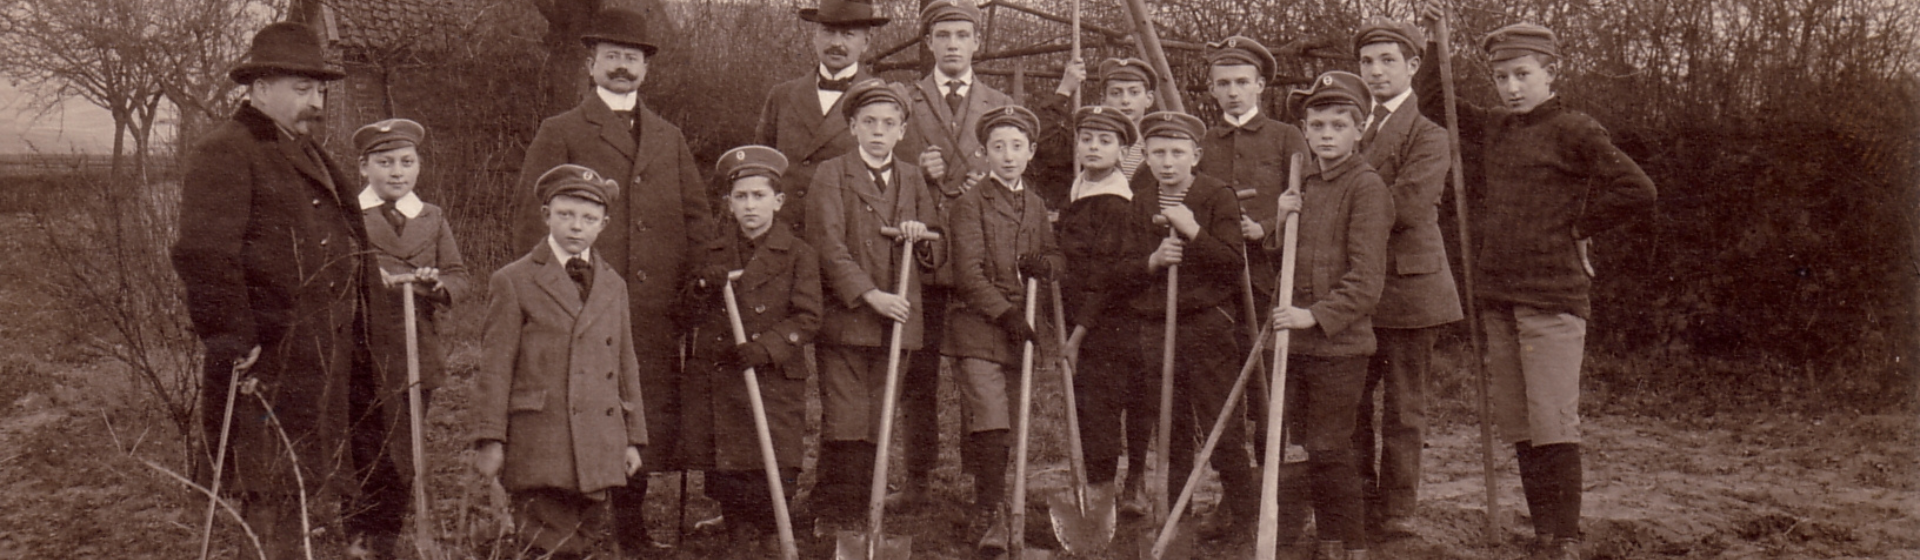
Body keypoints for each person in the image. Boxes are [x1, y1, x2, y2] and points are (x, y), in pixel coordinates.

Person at [1413, 19, 1657, 560]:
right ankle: (1543, 533)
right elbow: (1434, 102)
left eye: (1523, 74)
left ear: (1552, 72)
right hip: (1498, 296)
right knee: (1521, 421)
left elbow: (1637, 189)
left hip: (1552, 299)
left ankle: (1566, 538)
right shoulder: (1498, 126)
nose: (1512, 87)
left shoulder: (1576, 129)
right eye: (1501, 76)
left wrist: (1579, 227)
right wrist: (1433, 40)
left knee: (1553, 419)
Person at [512, 7, 714, 549]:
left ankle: (631, 523)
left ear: (646, 68)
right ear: (591, 63)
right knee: (575, 406)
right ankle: (570, 520)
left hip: (651, 308)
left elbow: (696, 216)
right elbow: (528, 220)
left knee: (636, 407)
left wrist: (699, 278)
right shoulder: (562, 131)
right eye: (613, 57)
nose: (623, 67)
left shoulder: (668, 136)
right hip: (581, 304)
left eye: (633, 58)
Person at [171, 22, 366, 560]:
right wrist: (232, 335)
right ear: (259, 89)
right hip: (266, 361)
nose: (316, 102)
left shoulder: (302, 150)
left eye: (320, 90)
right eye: (301, 89)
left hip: (312, 360)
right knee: (268, 493)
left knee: (295, 491)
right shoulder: (228, 150)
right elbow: (204, 254)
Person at [474, 164, 647, 560]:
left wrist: (633, 437)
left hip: (599, 442)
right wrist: (490, 438)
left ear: (603, 224)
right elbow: (495, 367)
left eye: (588, 218)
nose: (575, 226)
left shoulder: (613, 284)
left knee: (584, 541)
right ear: (546, 215)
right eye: (565, 214)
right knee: (548, 545)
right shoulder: (514, 280)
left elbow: (625, 364)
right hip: (540, 440)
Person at [889, 0, 1020, 509]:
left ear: (976, 43)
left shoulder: (999, 100)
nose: (952, 45)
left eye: (962, 35)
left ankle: (979, 479)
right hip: (921, 258)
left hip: (977, 262)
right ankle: (918, 476)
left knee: (977, 365)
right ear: (928, 42)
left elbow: (1011, 173)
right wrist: (914, 166)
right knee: (917, 374)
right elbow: (885, 162)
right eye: (942, 35)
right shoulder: (904, 99)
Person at [804, 79, 941, 533]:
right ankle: (837, 510)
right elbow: (828, 245)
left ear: (902, 131)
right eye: (869, 123)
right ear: (852, 126)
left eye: (889, 124)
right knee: (846, 417)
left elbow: (938, 250)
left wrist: (922, 236)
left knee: (879, 417)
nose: (878, 132)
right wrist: (870, 295)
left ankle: (862, 511)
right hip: (849, 317)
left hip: (899, 320)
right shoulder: (831, 173)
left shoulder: (913, 177)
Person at [1345, 19, 1463, 540]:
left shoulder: (1430, 134)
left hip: (1410, 288)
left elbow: (1410, 205)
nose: (1376, 72)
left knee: (1403, 406)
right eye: (1368, 62)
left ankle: (1397, 509)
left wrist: (1338, 216)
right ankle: (1357, 500)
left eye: (1388, 60)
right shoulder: (1346, 125)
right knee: (1348, 402)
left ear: (1413, 66)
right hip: (1353, 290)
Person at [1269, 71, 1395, 560]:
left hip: (1338, 345)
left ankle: (1354, 546)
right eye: (1316, 124)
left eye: (1338, 125)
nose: (1325, 134)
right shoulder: (1305, 185)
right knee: (1301, 449)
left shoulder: (1366, 188)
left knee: (1329, 448)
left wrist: (1313, 316)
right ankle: (1328, 540)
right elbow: (1283, 262)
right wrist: (1279, 222)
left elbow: (1366, 282)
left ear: (1358, 129)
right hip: (1294, 343)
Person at [674, 145, 823, 553]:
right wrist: (702, 287)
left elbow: (808, 317)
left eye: (759, 196)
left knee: (776, 455)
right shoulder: (712, 254)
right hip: (724, 375)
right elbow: (684, 314)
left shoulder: (798, 254)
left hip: (774, 375)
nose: (750, 205)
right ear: (728, 204)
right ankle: (738, 532)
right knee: (730, 462)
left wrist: (768, 348)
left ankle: (776, 531)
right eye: (741, 197)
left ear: (778, 200)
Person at [347, 117, 471, 558]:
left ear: (418, 166)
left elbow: (459, 276)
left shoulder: (432, 218)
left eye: (406, 162)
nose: (396, 172)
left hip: (418, 351)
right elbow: (333, 276)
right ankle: (356, 531)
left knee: (405, 447)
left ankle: (386, 536)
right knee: (364, 443)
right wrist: (367, 278)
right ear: (364, 168)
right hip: (362, 351)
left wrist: (435, 285)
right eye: (384, 163)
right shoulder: (349, 216)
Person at [942, 106, 1064, 553]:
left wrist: (1046, 265)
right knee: (989, 414)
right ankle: (989, 509)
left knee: (1010, 419)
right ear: (983, 152)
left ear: (1031, 152)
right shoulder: (969, 204)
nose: (1008, 156)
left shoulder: (1034, 204)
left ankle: (998, 499)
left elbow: (1055, 254)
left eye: (1017, 147)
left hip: (1022, 327)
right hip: (979, 326)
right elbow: (968, 274)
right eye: (998, 147)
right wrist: (1006, 314)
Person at [1128, 111, 1256, 537]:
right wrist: (1152, 260)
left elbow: (1233, 263)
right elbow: (1124, 265)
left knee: (1221, 421)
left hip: (1206, 323)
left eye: (1177, 152)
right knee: (1170, 425)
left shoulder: (1217, 195)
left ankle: (1246, 517)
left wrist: (1194, 233)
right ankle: (1175, 518)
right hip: (1155, 325)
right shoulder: (1141, 197)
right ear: (1144, 155)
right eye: (1158, 152)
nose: (1167, 162)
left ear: (1196, 155)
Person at [1055, 105, 1149, 509]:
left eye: (1105, 141)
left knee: (1105, 405)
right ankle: (1100, 492)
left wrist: (1078, 334)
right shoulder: (1077, 192)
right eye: (1086, 139)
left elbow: (1106, 277)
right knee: (1091, 405)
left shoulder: (1116, 204)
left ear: (1122, 150)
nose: (1093, 147)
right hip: (1083, 318)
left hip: (1110, 321)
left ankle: (1113, 491)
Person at [755, 0, 890, 236]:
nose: (836, 43)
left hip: (849, 242)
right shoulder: (782, 96)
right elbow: (759, 171)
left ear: (866, 42)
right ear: (815, 36)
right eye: (828, 32)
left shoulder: (885, 102)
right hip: (785, 240)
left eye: (848, 34)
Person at [1031, 57, 1161, 208]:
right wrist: (1064, 90)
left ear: (1149, 98)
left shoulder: (1160, 147)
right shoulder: (1089, 143)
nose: (1125, 100)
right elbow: (1043, 138)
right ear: (1103, 99)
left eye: (1133, 92)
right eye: (1116, 93)